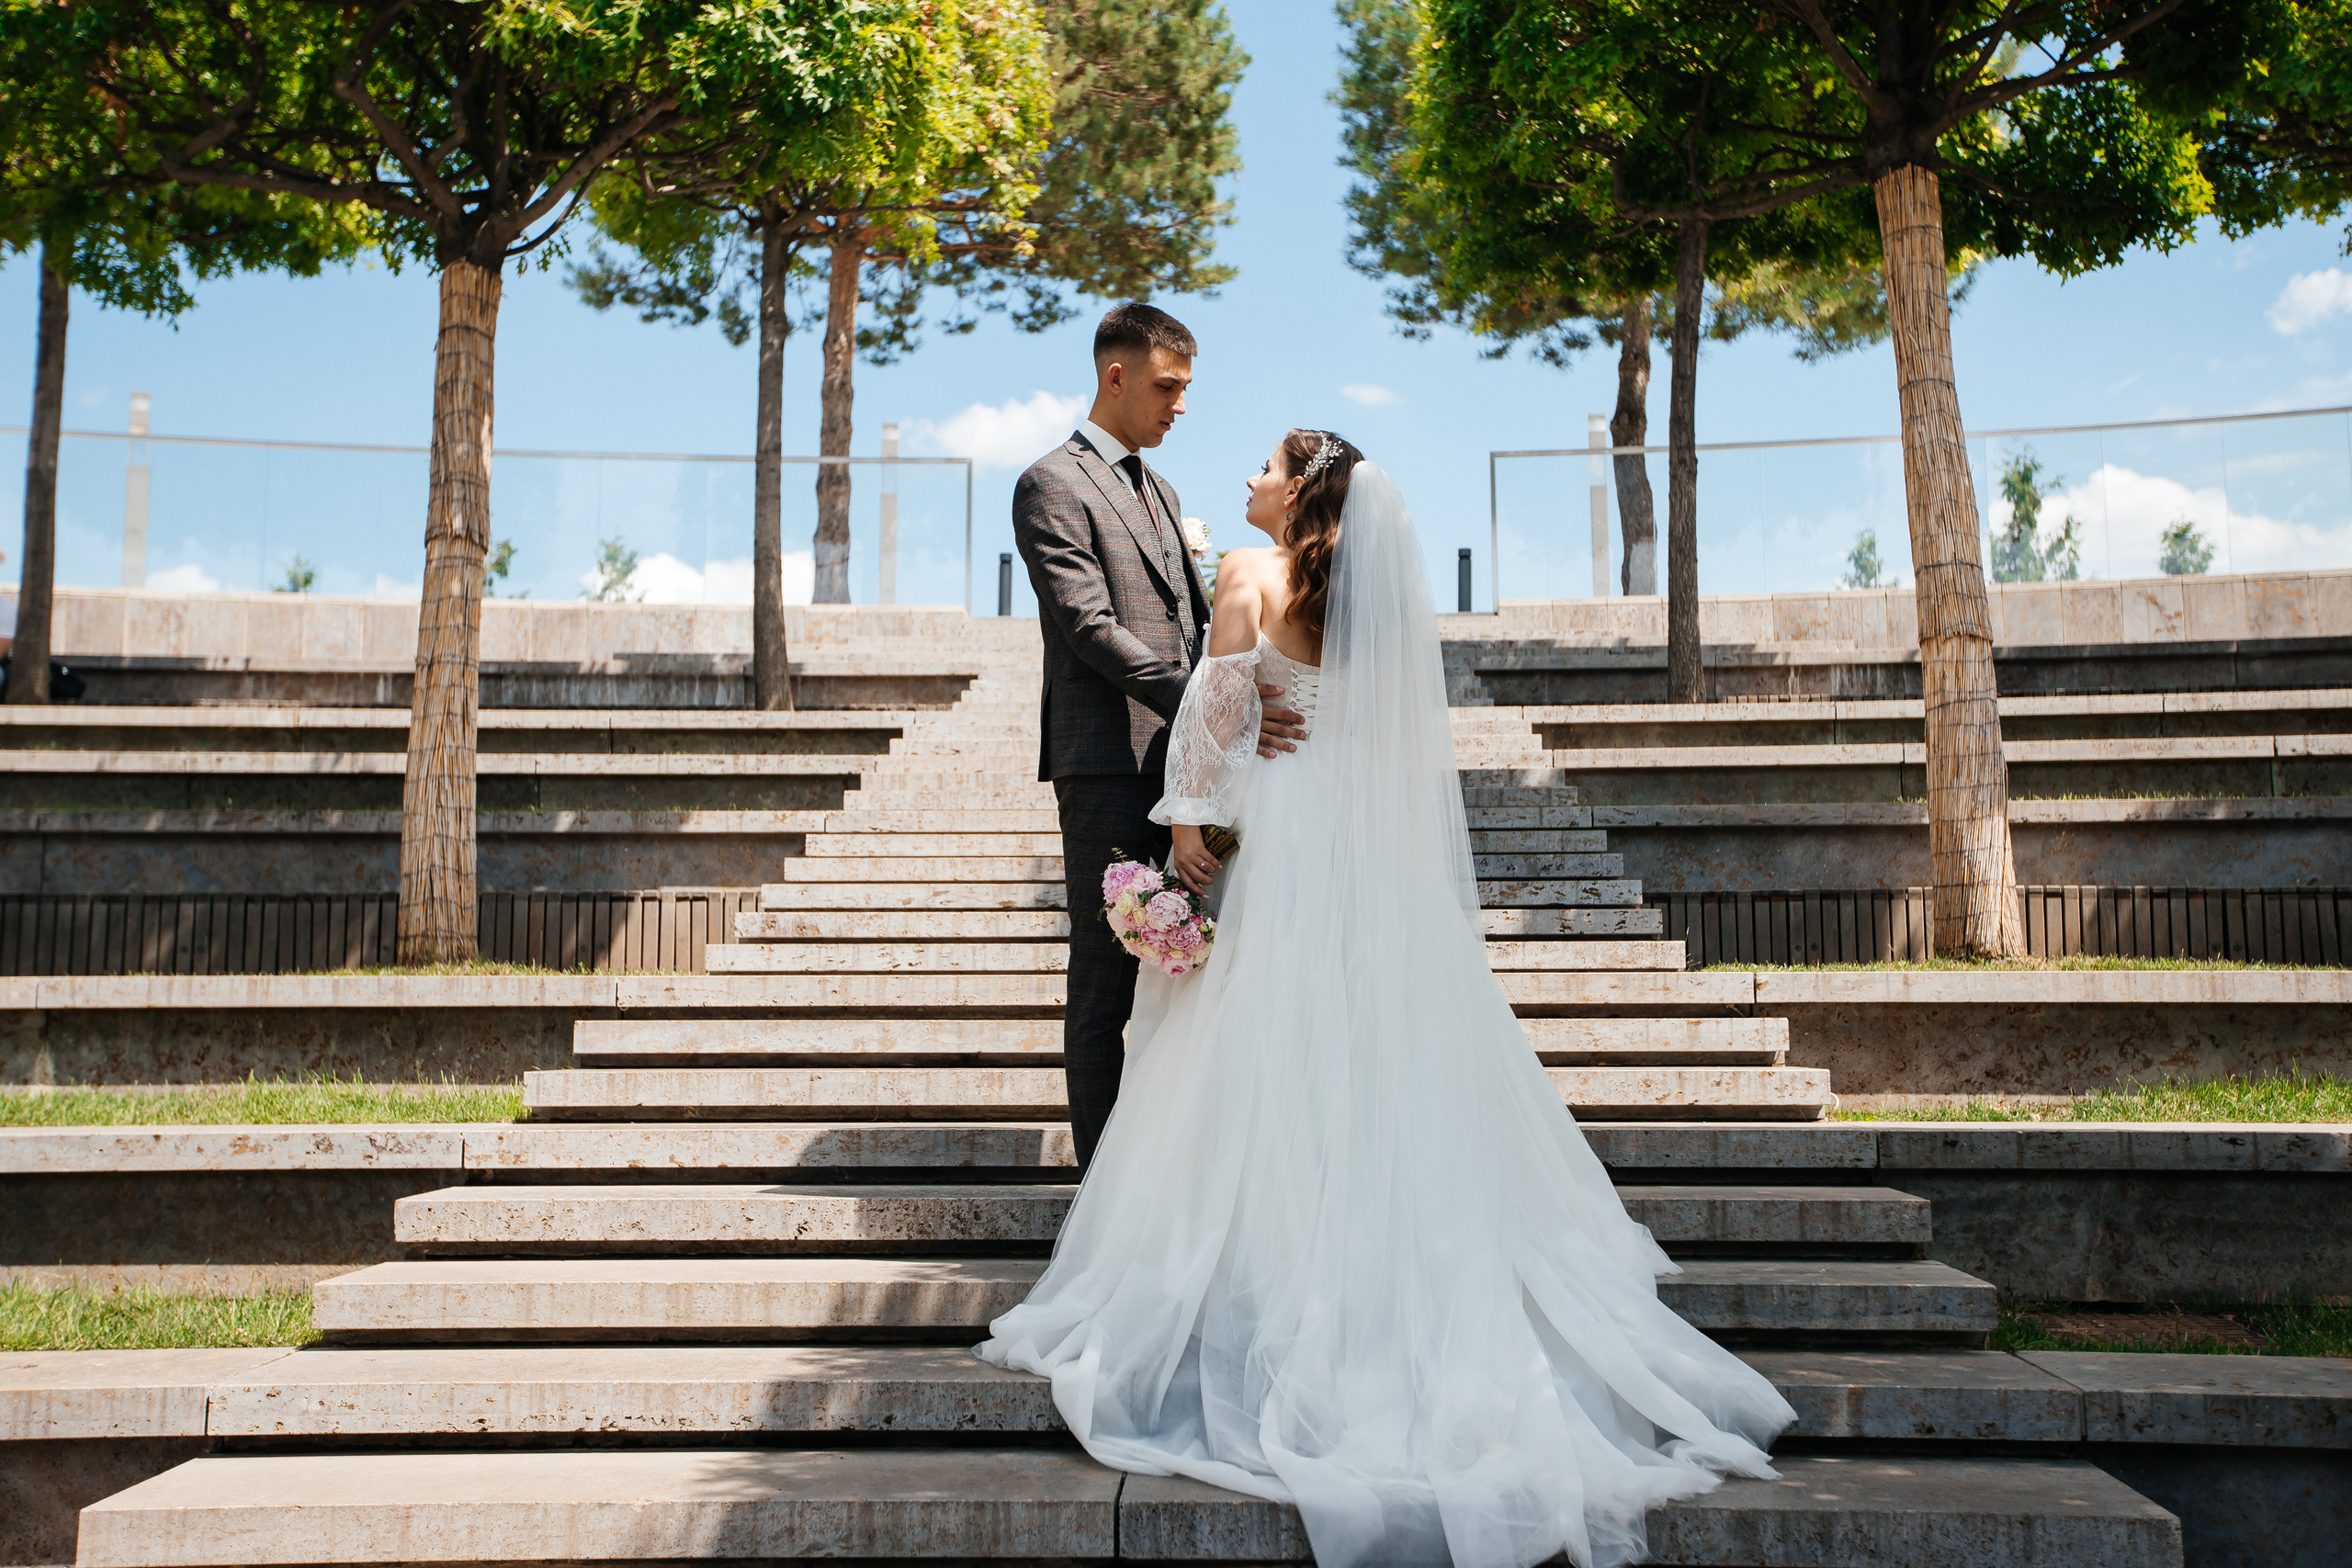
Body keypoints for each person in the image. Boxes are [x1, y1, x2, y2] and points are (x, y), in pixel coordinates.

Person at [980, 431, 1795, 1568]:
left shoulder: (1245, 578)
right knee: (1351, 1045)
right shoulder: (1364, 602)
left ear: (1300, 491)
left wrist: (1186, 839)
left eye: (1266, 463)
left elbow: (1217, 720)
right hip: (1351, 845)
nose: (1248, 476)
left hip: (1272, 831)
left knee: (1248, 1051)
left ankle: (1244, 1286)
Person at [1012, 303, 1304, 1171]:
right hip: (1106, 762)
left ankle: (1185, 1183)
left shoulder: (1164, 490)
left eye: (1186, 389)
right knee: (1104, 986)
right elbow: (1088, 626)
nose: (1182, 406)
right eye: (1168, 387)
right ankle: (1103, 1194)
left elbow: (1204, 621)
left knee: (1208, 971)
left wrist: (1248, 698)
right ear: (1116, 376)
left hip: (1198, 776)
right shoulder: (1050, 483)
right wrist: (1214, 699)